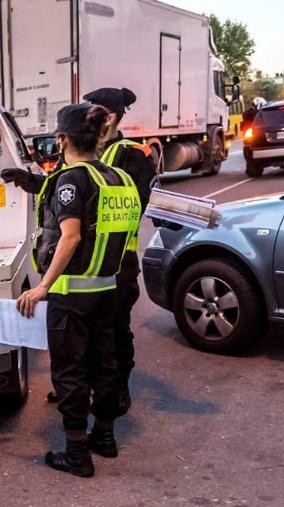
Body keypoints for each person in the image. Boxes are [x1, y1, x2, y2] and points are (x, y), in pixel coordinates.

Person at [16, 103, 141, 478]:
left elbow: (69, 237)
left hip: (73, 293)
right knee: (105, 365)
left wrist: (42, 286)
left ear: (62, 139)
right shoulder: (119, 179)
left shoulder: (71, 179)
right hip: (108, 287)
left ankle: (76, 453)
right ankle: (104, 437)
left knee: (70, 370)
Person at [84, 87, 157, 412]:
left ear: (109, 116)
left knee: (115, 330)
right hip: (82, 262)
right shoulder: (81, 150)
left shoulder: (134, 154)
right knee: (85, 330)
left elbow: (137, 206)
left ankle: (118, 388)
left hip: (118, 261)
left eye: (93, 111)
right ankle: (86, 385)